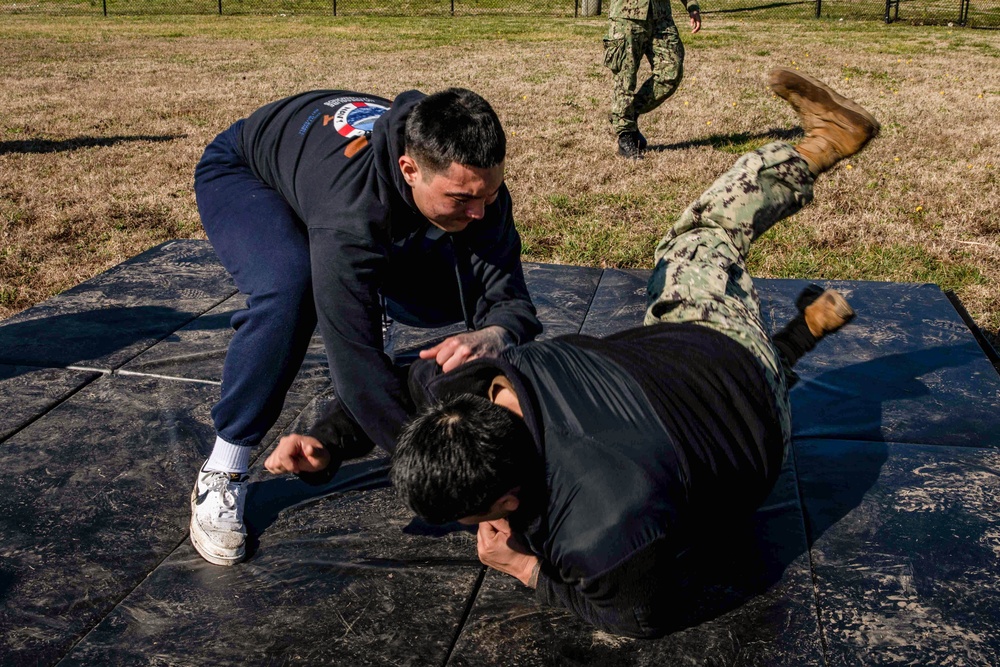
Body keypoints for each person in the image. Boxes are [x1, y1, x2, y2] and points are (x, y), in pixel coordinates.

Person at [389, 69, 879, 637]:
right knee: (698, 240)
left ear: (507, 498)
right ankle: (802, 276)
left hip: (762, 430)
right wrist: (327, 434)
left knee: (710, 411)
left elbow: (639, 618)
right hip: (698, 350)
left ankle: (797, 332)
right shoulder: (507, 369)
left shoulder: (599, 530)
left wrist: (521, 564)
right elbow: (415, 382)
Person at [190, 87, 542, 566]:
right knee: (291, 289)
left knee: (441, 294)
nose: (480, 211)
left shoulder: (474, 187)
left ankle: (366, 299)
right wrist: (460, 483)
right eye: (462, 199)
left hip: (333, 178)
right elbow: (357, 372)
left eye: (491, 193)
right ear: (409, 170)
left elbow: (512, 304)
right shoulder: (349, 216)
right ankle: (224, 466)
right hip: (248, 172)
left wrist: (493, 333)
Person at [604, 0, 702, 159]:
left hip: (661, 17)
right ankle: (625, 134)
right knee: (625, 77)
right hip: (627, 16)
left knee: (672, 70)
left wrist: (692, 6)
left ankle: (628, 113)